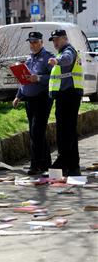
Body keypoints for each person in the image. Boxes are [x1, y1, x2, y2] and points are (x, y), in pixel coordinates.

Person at [12, 31, 54, 175]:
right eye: (31, 42)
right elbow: (23, 79)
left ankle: (35, 165)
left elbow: (55, 77)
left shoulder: (48, 58)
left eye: (35, 42)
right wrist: (18, 96)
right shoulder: (29, 59)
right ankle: (46, 163)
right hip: (29, 99)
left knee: (36, 132)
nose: (33, 45)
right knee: (36, 132)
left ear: (42, 42)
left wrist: (39, 78)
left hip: (43, 98)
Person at [47, 29, 84, 176]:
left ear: (64, 38)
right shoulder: (62, 52)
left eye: (57, 39)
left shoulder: (68, 51)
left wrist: (57, 60)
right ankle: (67, 163)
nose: (55, 43)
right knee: (64, 131)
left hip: (70, 95)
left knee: (67, 131)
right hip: (65, 96)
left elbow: (67, 59)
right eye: (53, 40)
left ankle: (71, 164)